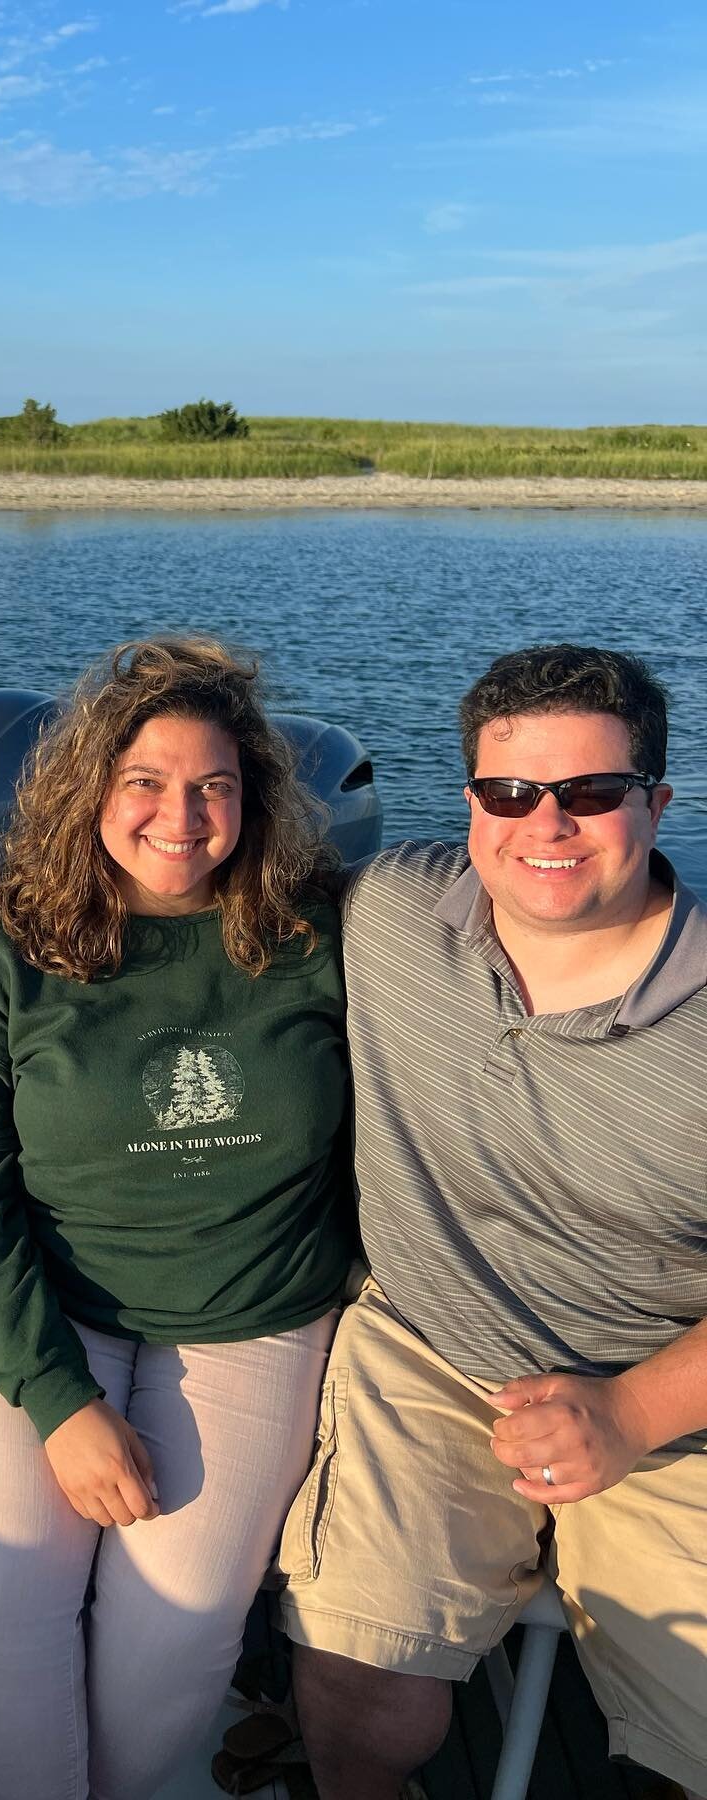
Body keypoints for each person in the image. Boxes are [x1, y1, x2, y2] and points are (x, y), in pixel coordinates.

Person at [0, 636, 352, 1800]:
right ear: (90, 791)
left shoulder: (320, 939)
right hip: (41, 1311)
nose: (180, 815)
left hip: (250, 1320)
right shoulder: (12, 952)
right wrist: (62, 1404)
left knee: (185, 1627)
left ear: (253, 798)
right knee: (9, 1608)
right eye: (144, 782)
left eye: (213, 785)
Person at [275, 645, 706, 1800]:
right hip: (432, 1350)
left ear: (659, 802)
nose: (545, 825)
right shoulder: (391, 914)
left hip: (668, 1392)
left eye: (592, 794)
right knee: (361, 1697)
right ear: (470, 801)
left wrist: (630, 1411)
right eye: (510, 793)